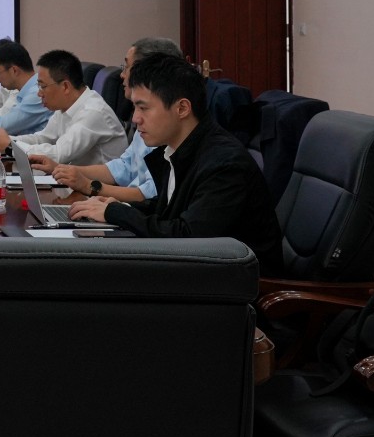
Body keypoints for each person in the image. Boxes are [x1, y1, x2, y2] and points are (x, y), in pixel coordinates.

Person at [68, 53, 283, 274]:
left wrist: (117, 213)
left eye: (143, 108)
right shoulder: (177, 149)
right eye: (135, 108)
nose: (135, 118)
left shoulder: (225, 164)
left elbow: (188, 238)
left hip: (237, 283)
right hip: (201, 273)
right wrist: (117, 207)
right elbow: (169, 211)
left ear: (182, 108)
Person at [47, 36, 182, 204]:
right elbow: (124, 167)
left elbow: (149, 195)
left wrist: (89, 187)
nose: (122, 75)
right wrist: (67, 170)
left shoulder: (165, 126)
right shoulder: (145, 121)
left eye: (126, 67)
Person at [0, 49, 126, 167]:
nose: (39, 93)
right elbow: (43, 138)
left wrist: (9, 146)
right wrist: (4, 141)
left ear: (65, 86)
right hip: (72, 181)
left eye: (43, 86)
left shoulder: (93, 112)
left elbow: (59, 154)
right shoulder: (64, 107)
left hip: (98, 189)